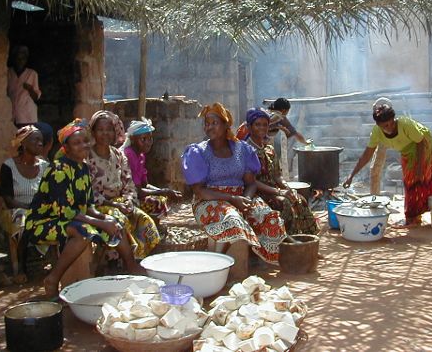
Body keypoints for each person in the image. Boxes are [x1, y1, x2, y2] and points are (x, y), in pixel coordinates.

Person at [24, 119, 145, 299]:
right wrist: (99, 223)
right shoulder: (58, 170)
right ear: (66, 147)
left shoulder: (83, 168)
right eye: (77, 143)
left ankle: (131, 267)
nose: (84, 145)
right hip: (43, 223)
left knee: (115, 222)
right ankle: (53, 278)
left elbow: (89, 206)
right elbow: (65, 212)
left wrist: (105, 220)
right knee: (82, 232)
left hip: (71, 219)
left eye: (85, 141)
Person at [182, 103, 287, 277]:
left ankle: (258, 261)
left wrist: (245, 199)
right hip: (209, 201)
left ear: (225, 125)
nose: (209, 127)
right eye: (206, 123)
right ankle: (216, 267)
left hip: (240, 198)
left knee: (268, 217)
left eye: (214, 123)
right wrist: (232, 200)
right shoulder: (198, 152)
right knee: (232, 219)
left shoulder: (241, 150)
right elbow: (199, 191)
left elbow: (251, 183)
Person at [342, 98, 432, 227]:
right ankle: (415, 216)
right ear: (378, 125)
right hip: (407, 150)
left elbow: (421, 142)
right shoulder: (376, 133)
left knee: (415, 179)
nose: (389, 127)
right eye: (385, 126)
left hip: (423, 144)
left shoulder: (405, 124)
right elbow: (367, 155)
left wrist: (419, 167)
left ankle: (412, 217)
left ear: (394, 119)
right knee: (411, 179)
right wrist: (351, 176)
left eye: (391, 123)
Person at [87, 111, 160, 260]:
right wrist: (114, 206)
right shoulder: (87, 157)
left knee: (146, 221)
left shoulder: (119, 155)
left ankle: (141, 259)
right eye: (100, 130)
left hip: (121, 202)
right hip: (99, 205)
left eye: (109, 130)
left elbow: (129, 183)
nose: (105, 133)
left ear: (115, 132)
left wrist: (128, 200)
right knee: (119, 220)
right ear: (93, 132)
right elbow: (89, 192)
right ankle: (126, 262)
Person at [245, 107, 319, 235]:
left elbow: (277, 176)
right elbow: (252, 182)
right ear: (250, 127)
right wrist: (279, 192)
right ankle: (285, 244)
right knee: (283, 203)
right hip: (256, 193)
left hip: (275, 190)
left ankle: (305, 240)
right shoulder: (246, 150)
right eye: (257, 124)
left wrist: (287, 189)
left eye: (264, 125)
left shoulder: (269, 149)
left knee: (299, 200)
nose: (262, 128)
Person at [0, 126, 49, 282]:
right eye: (36, 140)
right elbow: (7, 198)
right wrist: (28, 208)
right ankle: (21, 267)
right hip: (16, 210)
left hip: (40, 209)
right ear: (23, 143)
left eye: (41, 140)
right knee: (22, 222)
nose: (40, 143)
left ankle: (55, 263)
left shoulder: (45, 166)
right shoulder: (9, 166)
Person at [121, 118, 182, 228]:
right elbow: (138, 191)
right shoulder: (129, 155)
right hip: (126, 196)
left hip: (134, 193)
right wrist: (164, 191)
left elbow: (145, 184)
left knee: (161, 198)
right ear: (133, 139)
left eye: (150, 138)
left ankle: (153, 228)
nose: (148, 142)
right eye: (143, 139)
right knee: (155, 201)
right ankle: (148, 229)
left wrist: (166, 191)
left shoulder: (140, 156)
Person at [7, 45, 41, 127]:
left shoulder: (32, 74)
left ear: (26, 60)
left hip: (27, 116)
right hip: (11, 115)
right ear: (14, 59)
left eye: (23, 59)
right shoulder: (8, 73)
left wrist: (30, 89)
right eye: (18, 59)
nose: (20, 61)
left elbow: (36, 97)